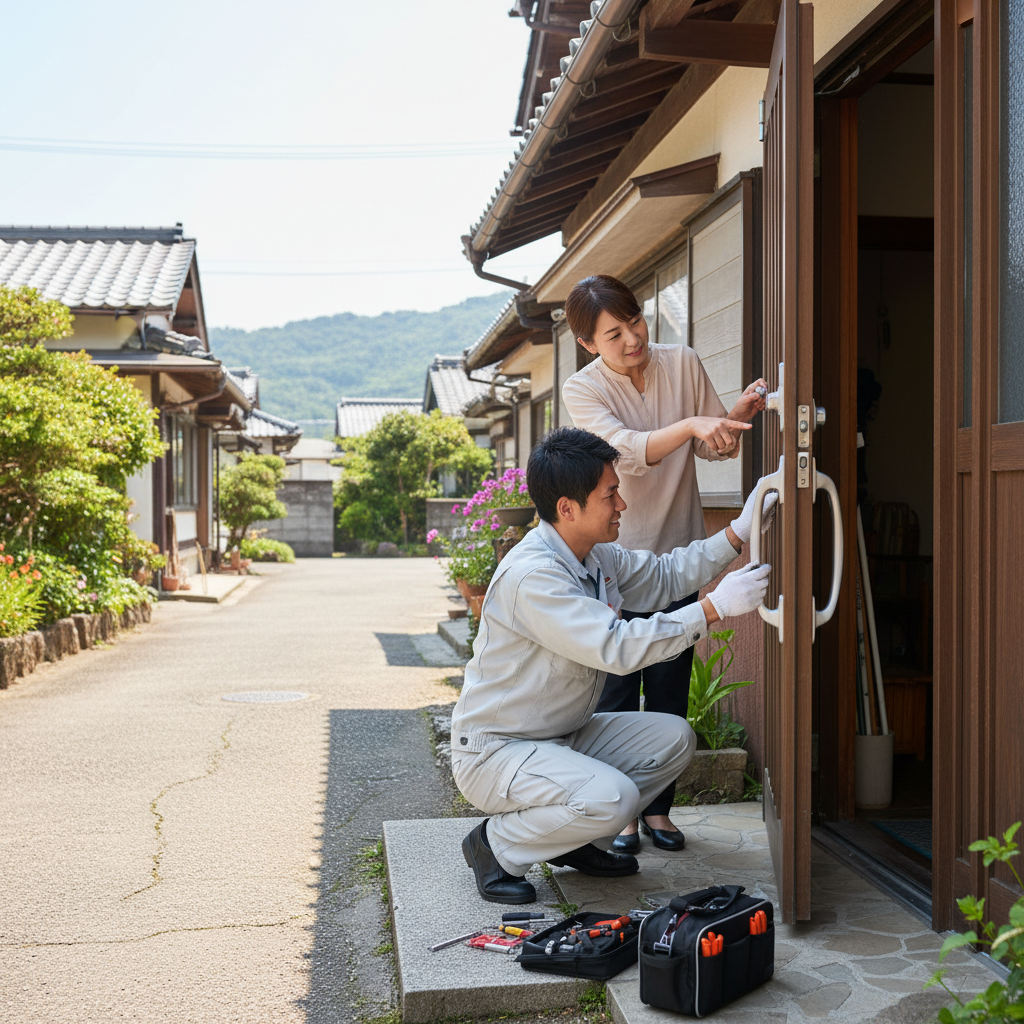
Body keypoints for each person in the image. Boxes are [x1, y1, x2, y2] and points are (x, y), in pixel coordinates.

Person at [451, 427, 772, 904]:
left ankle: (575, 841)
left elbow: (664, 576)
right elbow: (615, 645)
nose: (621, 504)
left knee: (673, 737)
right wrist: (714, 609)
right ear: (567, 508)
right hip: (498, 751)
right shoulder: (534, 576)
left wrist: (737, 532)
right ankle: (495, 846)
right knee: (613, 798)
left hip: (559, 736)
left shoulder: (593, 554)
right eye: (610, 495)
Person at [561, 274, 767, 853]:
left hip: (679, 553)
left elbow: (709, 445)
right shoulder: (582, 389)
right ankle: (623, 815)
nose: (632, 339)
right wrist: (694, 424)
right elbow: (626, 451)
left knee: (670, 691)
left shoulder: (683, 361)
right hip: (617, 561)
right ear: (588, 344)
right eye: (613, 335)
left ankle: (658, 812)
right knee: (616, 696)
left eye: (635, 322)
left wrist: (731, 417)